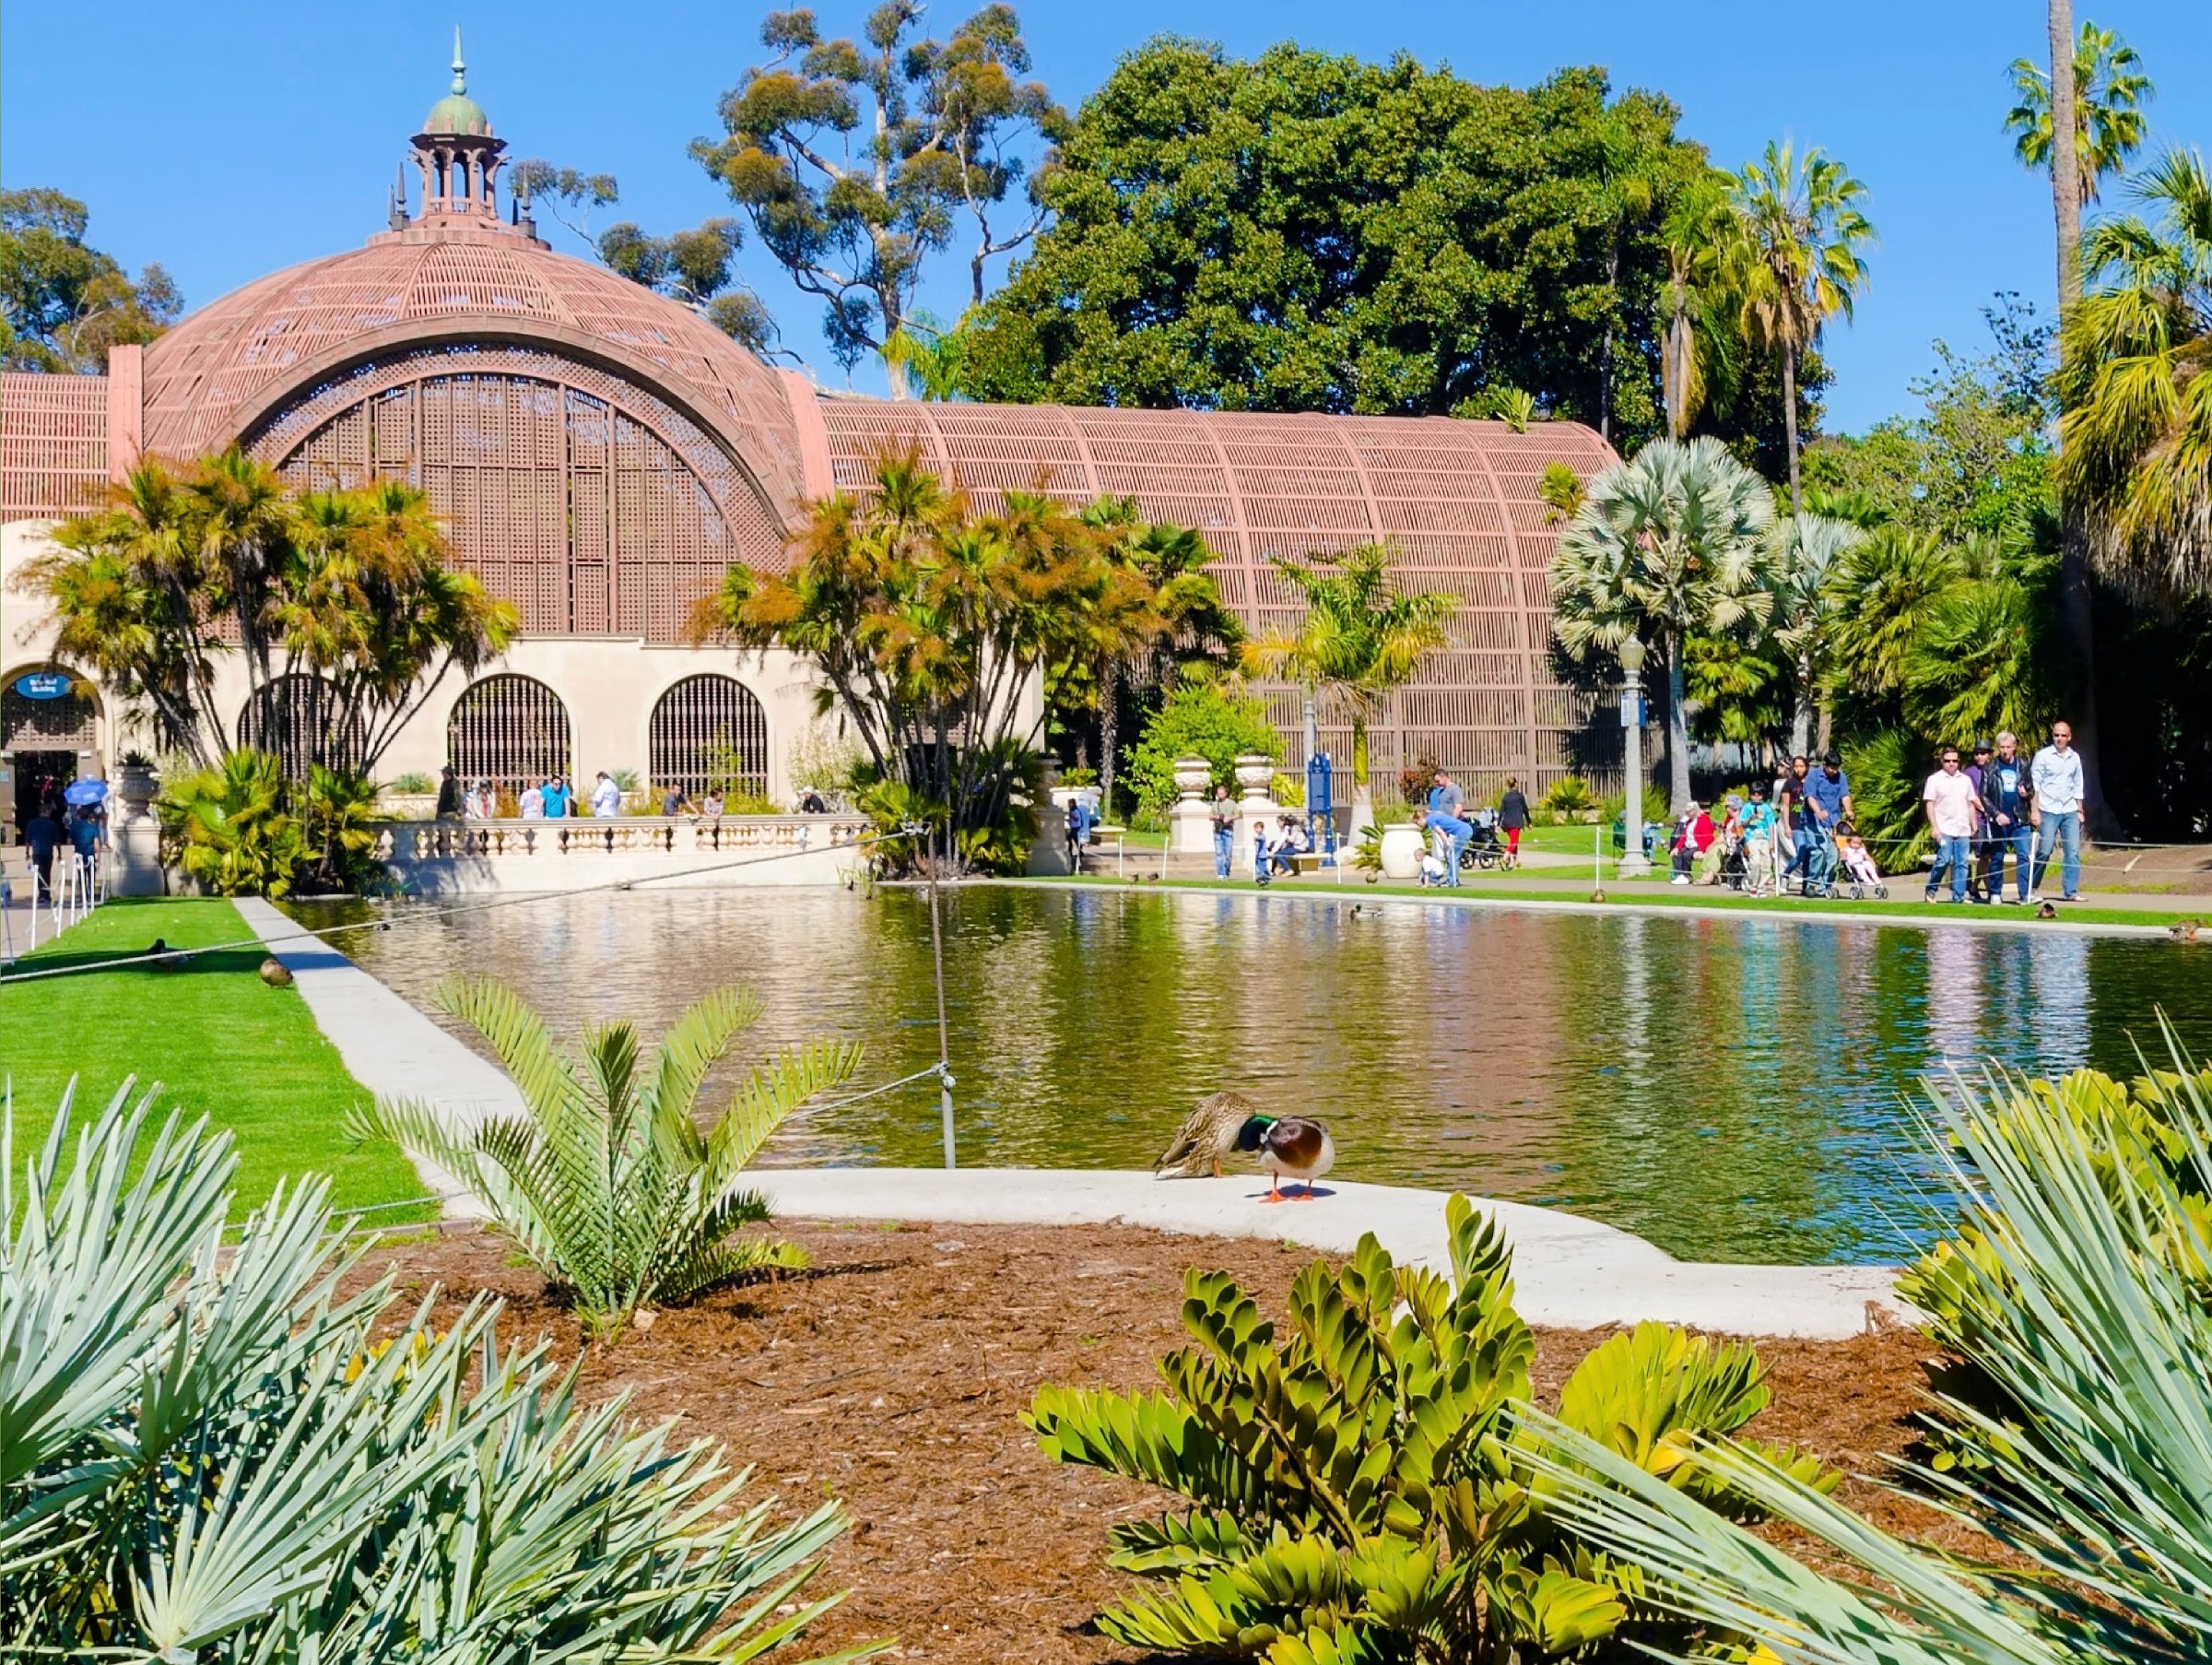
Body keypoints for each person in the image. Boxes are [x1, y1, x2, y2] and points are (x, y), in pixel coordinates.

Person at [2030, 720, 2085, 903]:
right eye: (2056, 735)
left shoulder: (2074, 757)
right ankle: (2032, 887)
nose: (2059, 738)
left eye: (2063, 735)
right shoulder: (2043, 756)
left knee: (2073, 851)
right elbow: (2034, 785)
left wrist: (2079, 809)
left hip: (2069, 809)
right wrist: (2034, 810)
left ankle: (2071, 892)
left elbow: (2078, 784)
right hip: (2048, 809)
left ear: (2069, 737)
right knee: (2045, 850)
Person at [1978, 731, 2033, 904]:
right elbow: (1984, 795)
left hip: (2019, 818)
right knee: (1997, 856)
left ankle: (2025, 894)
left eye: (2008, 747)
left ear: (2014, 747)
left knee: (2024, 855)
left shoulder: (2023, 764)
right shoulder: (1990, 768)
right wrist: (1996, 814)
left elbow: (2031, 788)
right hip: (2000, 819)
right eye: (2002, 747)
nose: (2005, 751)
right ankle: (1995, 892)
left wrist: (2027, 792)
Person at [1922, 745, 1982, 903]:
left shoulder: (1965, 780)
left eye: (1954, 761)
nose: (1951, 764)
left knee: (1962, 863)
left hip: (1962, 828)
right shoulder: (1934, 780)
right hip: (1944, 828)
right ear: (1942, 761)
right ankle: (1931, 889)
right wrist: (1934, 827)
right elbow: (1930, 804)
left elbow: (1970, 803)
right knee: (1944, 859)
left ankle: (1958, 896)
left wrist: (1973, 824)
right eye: (1948, 761)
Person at [1426, 769, 1471, 888]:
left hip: (1453, 828)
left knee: (1452, 854)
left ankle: (1453, 880)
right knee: (1447, 855)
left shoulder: (1454, 789)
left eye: (1438, 780)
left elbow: (1459, 807)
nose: (1437, 783)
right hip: (1444, 828)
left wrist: (1451, 821)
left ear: (1444, 777)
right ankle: (1450, 878)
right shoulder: (1441, 791)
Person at [1962, 740, 1994, 903]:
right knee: (1984, 855)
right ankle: (1991, 891)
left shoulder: (1995, 769)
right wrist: (1985, 809)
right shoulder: (1969, 772)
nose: (1979, 756)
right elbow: (1971, 796)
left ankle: (1974, 888)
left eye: (1983, 753)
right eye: (1977, 753)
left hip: (1993, 820)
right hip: (1979, 820)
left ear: (1989, 755)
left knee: (1987, 856)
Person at [1738, 781, 1778, 897]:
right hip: (1752, 838)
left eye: (1759, 794)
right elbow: (1742, 824)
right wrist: (1751, 818)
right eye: (1754, 794)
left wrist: (1771, 841)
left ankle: (1761, 886)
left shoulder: (1766, 808)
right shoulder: (1747, 807)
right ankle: (1753, 885)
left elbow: (1771, 824)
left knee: (1766, 863)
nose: (1756, 797)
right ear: (1750, 795)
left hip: (1764, 838)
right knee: (1755, 862)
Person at [22, 801, 61, 898]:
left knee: (39, 873)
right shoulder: (52, 824)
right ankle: (46, 894)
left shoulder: (32, 823)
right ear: (47, 812)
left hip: (37, 852)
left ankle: (41, 894)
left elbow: (27, 840)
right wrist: (60, 854)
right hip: (48, 852)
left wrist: (27, 852)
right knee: (47, 873)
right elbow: (57, 841)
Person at [1498, 776, 1529, 866]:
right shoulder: (1519, 796)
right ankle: (1505, 857)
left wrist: (1499, 824)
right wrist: (1529, 822)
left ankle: (1516, 861)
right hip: (1516, 822)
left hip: (1507, 823)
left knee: (1513, 841)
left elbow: (1501, 811)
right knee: (1514, 842)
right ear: (1516, 784)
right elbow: (1525, 809)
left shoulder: (1506, 797)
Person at [1209, 784, 1237, 880]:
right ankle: (1221, 873)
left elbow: (1238, 815)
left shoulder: (1232, 803)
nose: (1220, 795)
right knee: (1219, 853)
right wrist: (1218, 817)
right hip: (1218, 830)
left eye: (1222, 793)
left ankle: (1227, 871)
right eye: (1218, 793)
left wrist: (1229, 818)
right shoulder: (1215, 804)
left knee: (1228, 854)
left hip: (1228, 829)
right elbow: (1210, 816)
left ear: (1225, 793)